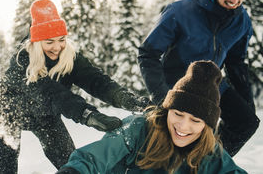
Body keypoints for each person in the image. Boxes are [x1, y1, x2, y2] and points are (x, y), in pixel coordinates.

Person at [0, 0, 149, 174]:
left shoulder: (68, 56)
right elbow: (52, 94)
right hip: (9, 112)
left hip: (45, 115)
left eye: (61, 39)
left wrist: (126, 99)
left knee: (72, 162)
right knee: (4, 168)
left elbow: (96, 80)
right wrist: (88, 115)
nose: (57, 47)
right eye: (49, 42)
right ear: (36, 42)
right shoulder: (22, 61)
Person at [137, 0, 260, 156]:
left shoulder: (241, 20)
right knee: (178, 142)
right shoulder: (181, 11)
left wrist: (246, 102)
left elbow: (236, 61)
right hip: (177, 84)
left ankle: (208, 163)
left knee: (246, 122)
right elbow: (148, 53)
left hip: (211, 84)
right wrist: (161, 96)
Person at [57, 60, 247, 174]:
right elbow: (95, 156)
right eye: (178, 114)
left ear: (207, 126)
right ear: (167, 110)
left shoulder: (208, 150)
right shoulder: (139, 128)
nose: (183, 126)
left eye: (195, 120)